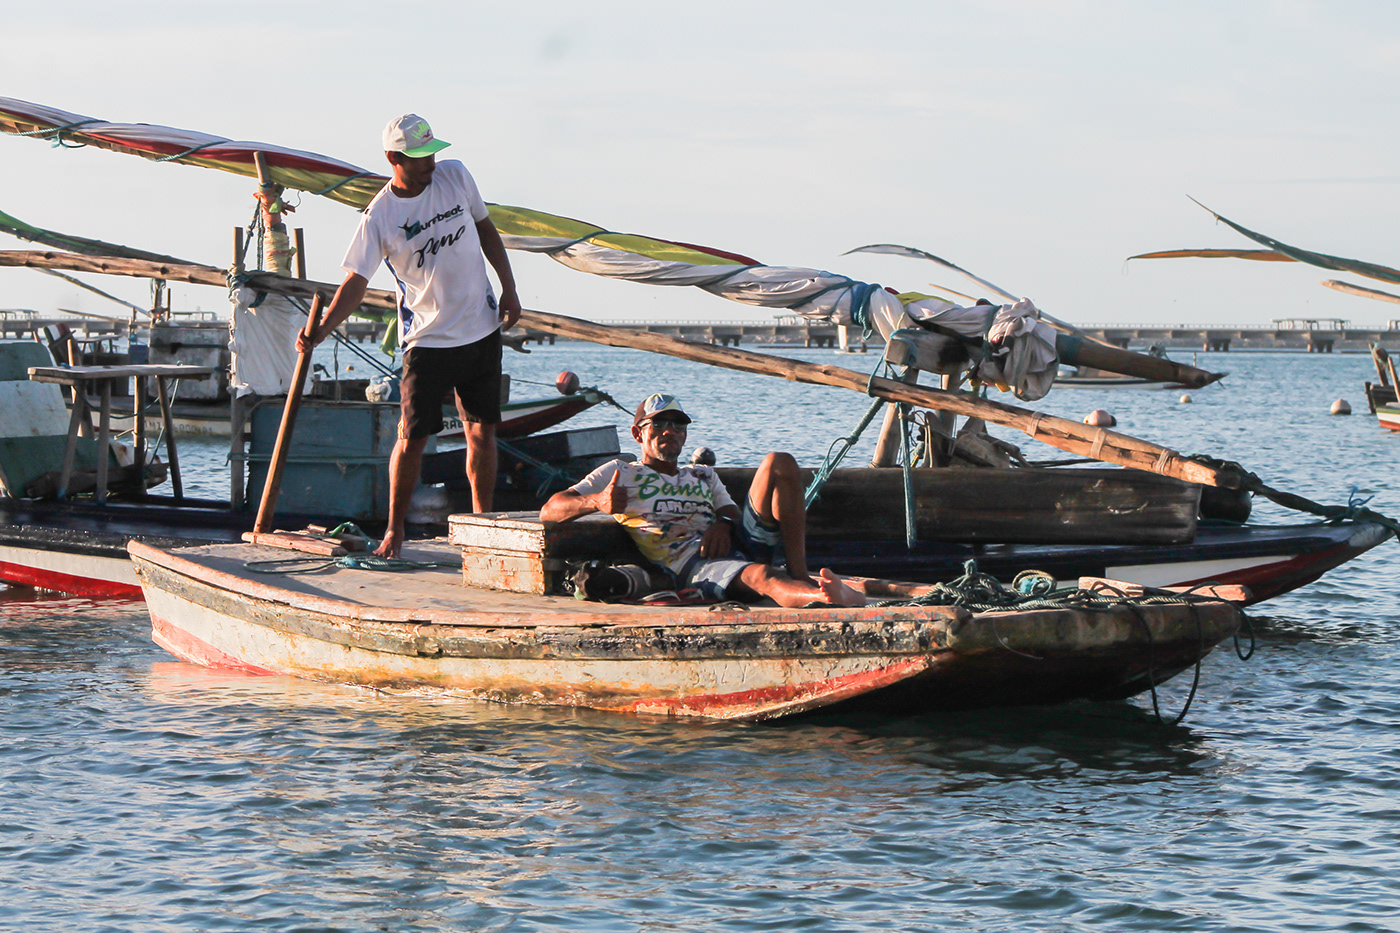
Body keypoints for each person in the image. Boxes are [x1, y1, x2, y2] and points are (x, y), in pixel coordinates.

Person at [298, 114, 521, 557]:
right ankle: (395, 530)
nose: (430, 162)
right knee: (412, 437)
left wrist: (509, 287)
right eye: (419, 157)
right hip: (427, 340)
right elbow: (355, 282)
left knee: (482, 433)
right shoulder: (379, 216)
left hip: (480, 327)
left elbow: (485, 229)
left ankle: (481, 526)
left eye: (432, 151)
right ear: (393, 158)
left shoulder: (455, 175)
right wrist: (322, 330)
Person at [540, 393, 866, 608]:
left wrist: (723, 525)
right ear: (639, 433)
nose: (670, 431)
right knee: (761, 577)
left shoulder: (702, 474)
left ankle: (800, 573)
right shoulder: (620, 472)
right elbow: (550, 509)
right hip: (691, 563)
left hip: (731, 542)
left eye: (678, 424)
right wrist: (597, 501)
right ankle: (819, 597)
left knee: (779, 461)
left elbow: (730, 513)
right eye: (660, 423)